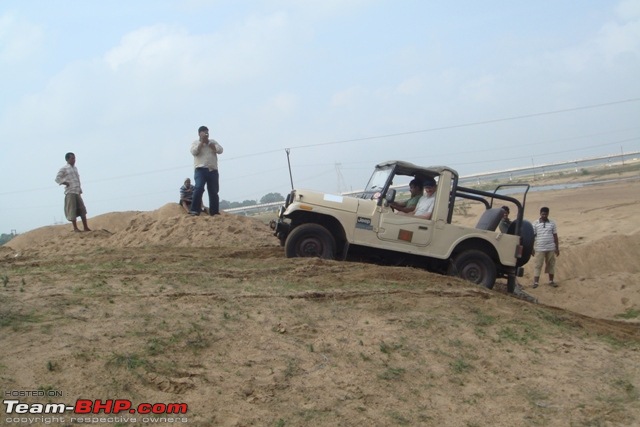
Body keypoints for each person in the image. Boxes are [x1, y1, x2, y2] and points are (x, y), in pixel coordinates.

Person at [189, 125, 223, 216]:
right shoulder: (195, 143)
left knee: (213, 191)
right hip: (200, 169)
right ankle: (194, 210)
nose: (206, 134)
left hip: (212, 169)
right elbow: (194, 152)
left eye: (207, 132)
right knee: (199, 188)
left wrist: (209, 143)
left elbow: (220, 150)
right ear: (199, 134)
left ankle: (214, 211)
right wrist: (201, 143)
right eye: (204, 132)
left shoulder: (213, 142)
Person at [54, 152, 91, 232]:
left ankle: (86, 227)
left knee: (82, 210)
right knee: (72, 210)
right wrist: (64, 182)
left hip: (77, 191)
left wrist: (80, 190)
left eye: (74, 158)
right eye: (72, 158)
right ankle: (75, 228)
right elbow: (57, 178)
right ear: (67, 159)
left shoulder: (75, 168)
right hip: (70, 192)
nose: (74, 160)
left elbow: (77, 180)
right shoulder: (64, 168)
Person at [532, 207, 560, 288]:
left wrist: (557, 248)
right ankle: (536, 283)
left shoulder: (552, 223)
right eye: (542, 214)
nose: (544, 215)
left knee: (551, 264)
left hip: (551, 248)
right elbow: (532, 236)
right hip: (539, 248)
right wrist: (531, 248)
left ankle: (551, 281)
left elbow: (555, 236)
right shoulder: (535, 223)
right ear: (540, 214)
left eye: (546, 214)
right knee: (538, 265)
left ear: (548, 214)